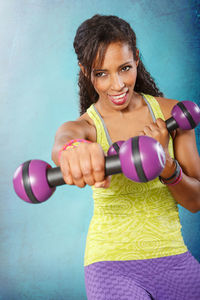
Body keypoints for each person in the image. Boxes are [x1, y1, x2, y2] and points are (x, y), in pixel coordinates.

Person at [52, 14, 200, 300]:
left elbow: (196, 202)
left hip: (173, 258)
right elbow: (64, 140)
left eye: (125, 68)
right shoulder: (87, 127)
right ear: (85, 71)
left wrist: (165, 165)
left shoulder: (172, 115)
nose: (118, 85)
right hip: (110, 265)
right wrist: (72, 152)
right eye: (102, 73)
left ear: (137, 59)